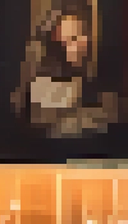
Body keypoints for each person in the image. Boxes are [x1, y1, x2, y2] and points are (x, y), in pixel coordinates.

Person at [11, 0, 120, 139]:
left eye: (76, 38)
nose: (70, 48)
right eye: (65, 42)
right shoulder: (44, 77)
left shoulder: (96, 72)